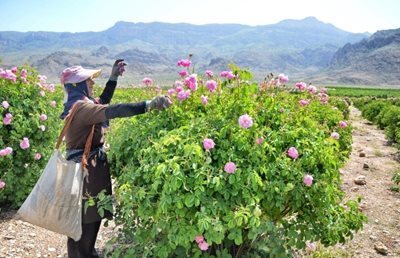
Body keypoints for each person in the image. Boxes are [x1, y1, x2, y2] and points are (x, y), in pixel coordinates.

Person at [60, 59, 171, 258]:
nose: (92, 83)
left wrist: (113, 78)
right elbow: (113, 110)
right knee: (87, 226)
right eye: (88, 80)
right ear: (78, 85)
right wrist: (148, 104)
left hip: (81, 171)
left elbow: (103, 101)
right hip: (87, 174)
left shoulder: (80, 105)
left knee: (79, 227)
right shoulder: (83, 109)